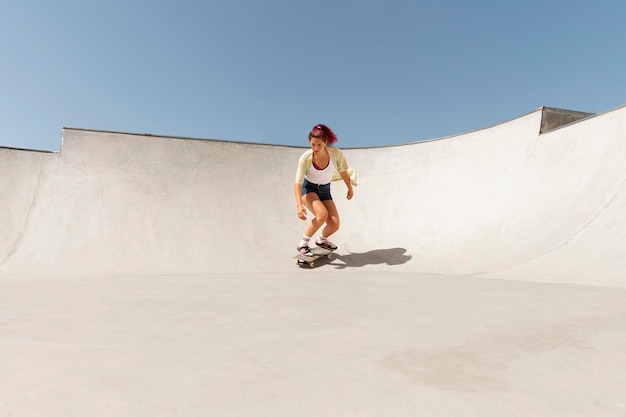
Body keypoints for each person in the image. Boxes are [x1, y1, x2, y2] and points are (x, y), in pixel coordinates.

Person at [294, 124, 356, 257]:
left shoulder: (335, 153)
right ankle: (303, 244)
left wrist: (349, 188)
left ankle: (321, 240)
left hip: (325, 190)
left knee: (334, 224)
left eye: (319, 145)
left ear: (325, 143)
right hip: (308, 188)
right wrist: (299, 206)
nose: (315, 148)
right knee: (322, 214)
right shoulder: (306, 158)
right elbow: (297, 184)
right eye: (312, 144)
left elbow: (343, 171)